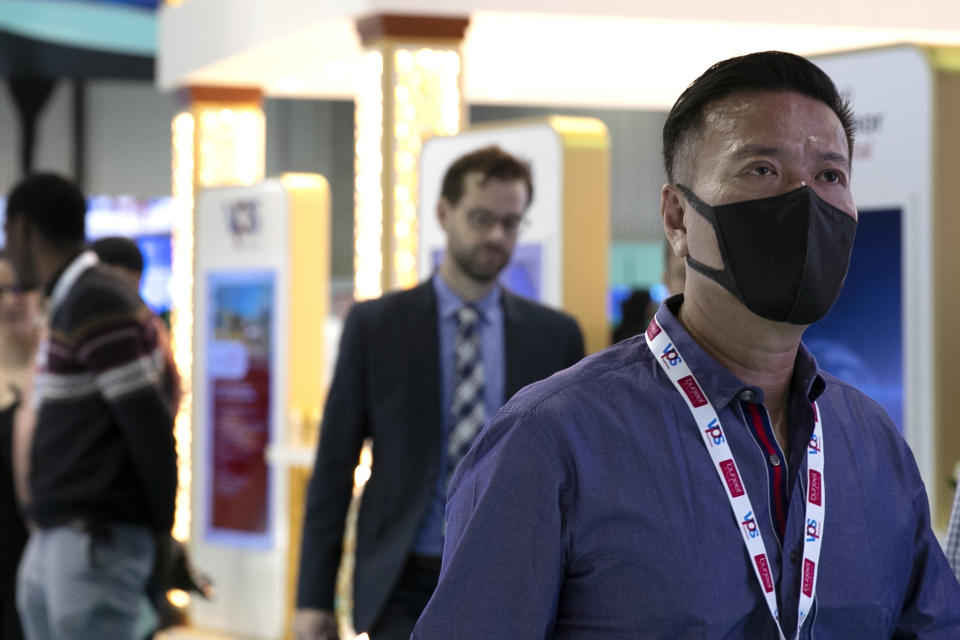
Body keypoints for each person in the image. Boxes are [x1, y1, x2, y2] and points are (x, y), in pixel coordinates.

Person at [413, 51, 960, 638]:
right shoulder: (551, 440)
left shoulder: (871, 444)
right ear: (678, 217)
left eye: (830, 175)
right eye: (761, 170)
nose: (804, 200)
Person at [294, 145, 585, 640]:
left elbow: (577, 475)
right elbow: (334, 467)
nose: (496, 235)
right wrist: (312, 597)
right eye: (481, 218)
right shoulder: (376, 326)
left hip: (514, 574)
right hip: (402, 576)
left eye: (511, 223)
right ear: (443, 213)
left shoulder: (553, 336)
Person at [3, 173, 177, 639]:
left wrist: (161, 536)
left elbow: (148, 425)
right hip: (67, 536)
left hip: (96, 540)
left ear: (23, 229)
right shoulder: (74, 300)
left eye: (7, 234)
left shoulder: (95, 300)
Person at [0, 251, 41, 640]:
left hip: (41, 548)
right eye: (1, 291)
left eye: (20, 290)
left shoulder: (56, 367)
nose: (12, 300)